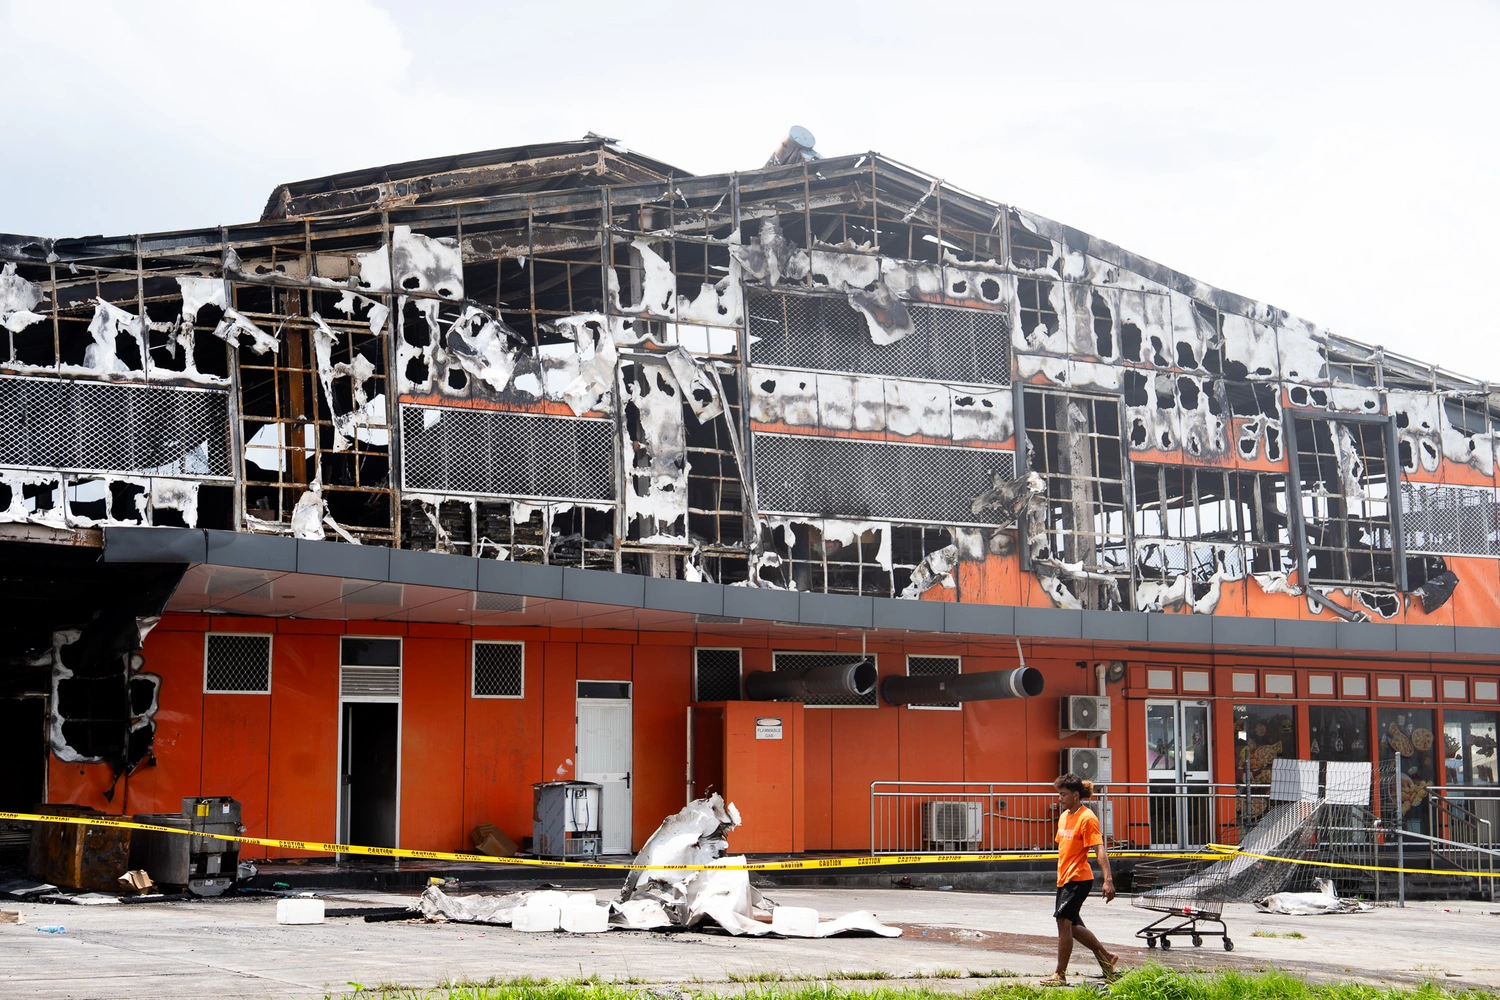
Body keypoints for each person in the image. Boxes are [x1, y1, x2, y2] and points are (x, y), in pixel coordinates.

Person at [1041, 772, 1121, 986]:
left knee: (1063, 922)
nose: (1060, 798)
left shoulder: (1087, 818)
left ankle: (1060, 974)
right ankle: (1107, 958)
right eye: (1059, 794)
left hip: (1079, 878)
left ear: (1075, 795)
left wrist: (1108, 880)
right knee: (1073, 926)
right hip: (1064, 879)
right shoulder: (1065, 816)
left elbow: (1099, 849)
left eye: (1063, 794)